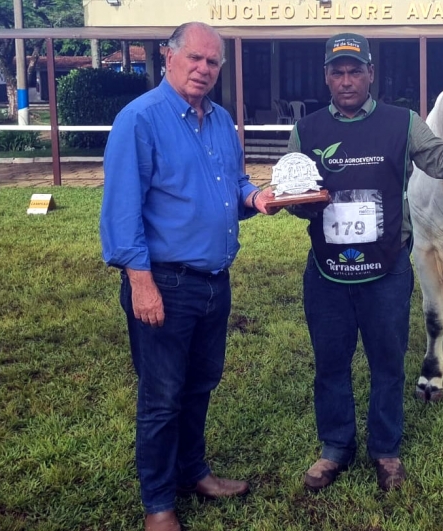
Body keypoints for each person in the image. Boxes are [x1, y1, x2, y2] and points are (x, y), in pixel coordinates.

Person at [286, 32, 443, 492]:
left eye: (356, 71)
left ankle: (385, 450)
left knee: (388, 364)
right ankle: (334, 448)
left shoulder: (403, 123)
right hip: (328, 272)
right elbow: (295, 194)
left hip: (386, 270)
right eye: (338, 72)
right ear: (327, 77)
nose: (347, 80)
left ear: (370, 74)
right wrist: (296, 204)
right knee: (330, 365)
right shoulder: (306, 131)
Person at [99, 22, 277, 531]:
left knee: (200, 385)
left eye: (212, 61)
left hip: (215, 282)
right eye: (194, 58)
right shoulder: (140, 119)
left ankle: (193, 472)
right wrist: (141, 285)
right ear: (168, 57)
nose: (203, 68)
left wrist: (255, 197)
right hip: (165, 284)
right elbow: (121, 212)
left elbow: (233, 184)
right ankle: (158, 505)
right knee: (161, 399)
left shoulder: (220, 121)